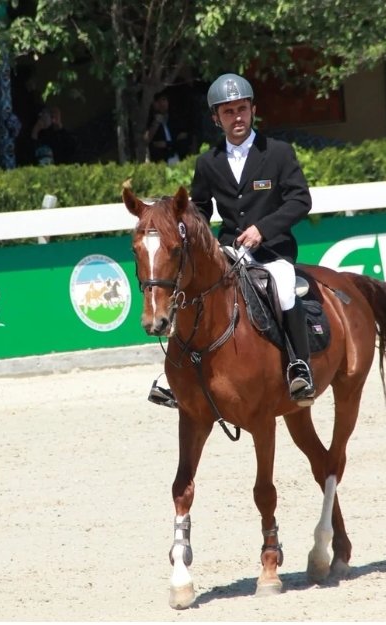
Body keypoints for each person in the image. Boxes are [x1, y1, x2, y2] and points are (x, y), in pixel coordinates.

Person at [190, 72, 316, 406]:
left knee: (285, 289)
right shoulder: (208, 162)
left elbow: (300, 200)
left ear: (253, 110)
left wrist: (264, 229)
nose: (237, 118)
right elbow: (200, 209)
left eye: (242, 109)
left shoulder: (277, 153)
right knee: (194, 292)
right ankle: (178, 374)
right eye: (228, 112)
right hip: (229, 250)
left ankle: (299, 366)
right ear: (217, 118)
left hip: (273, 251)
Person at [144, 91, 193, 165]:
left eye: (164, 100)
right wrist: (156, 122)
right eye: (158, 101)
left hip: (176, 155)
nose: (162, 104)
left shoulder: (174, 118)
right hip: (159, 160)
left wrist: (168, 144)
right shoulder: (149, 120)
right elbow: (147, 140)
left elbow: (183, 136)